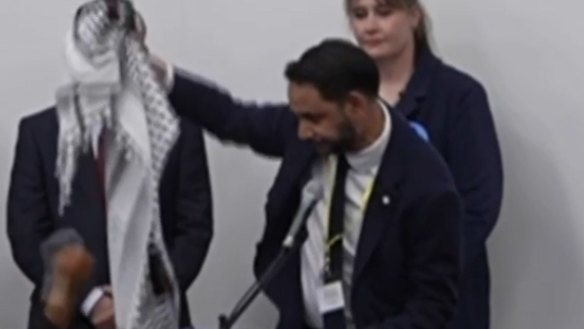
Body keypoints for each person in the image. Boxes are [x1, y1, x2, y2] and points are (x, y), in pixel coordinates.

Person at [155, 39, 462, 329]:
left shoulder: (428, 187)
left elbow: (431, 308)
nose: (302, 132)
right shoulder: (309, 133)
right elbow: (232, 118)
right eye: (299, 117)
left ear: (355, 105)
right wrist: (160, 74)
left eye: (313, 119)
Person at [344, 1, 503, 329]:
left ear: (414, 16)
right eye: (360, 15)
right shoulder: (343, 102)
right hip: (360, 303)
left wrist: (419, 273)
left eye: (384, 13)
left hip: (439, 302)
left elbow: (478, 207)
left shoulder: (460, 98)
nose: (370, 26)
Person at [7, 107, 214, 328]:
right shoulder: (39, 132)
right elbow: (27, 235)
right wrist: (91, 301)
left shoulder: (180, 129)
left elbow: (194, 229)